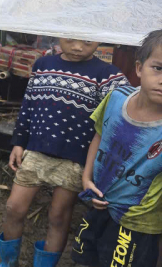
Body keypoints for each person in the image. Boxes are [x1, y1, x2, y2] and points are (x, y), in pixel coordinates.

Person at [0, 39, 127, 267]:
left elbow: (119, 114)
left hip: (75, 160)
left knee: (59, 216)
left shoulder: (108, 75)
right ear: (59, 33)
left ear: (99, 39)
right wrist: (19, 142)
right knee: (14, 207)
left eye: (86, 41)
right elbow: (29, 105)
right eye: (70, 39)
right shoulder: (43, 65)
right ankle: (7, 262)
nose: (77, 47)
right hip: (36, 151)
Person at [69, 30, 162, 267]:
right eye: (158, 68)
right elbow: (100, 136)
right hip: (99, 201)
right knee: (84, 257)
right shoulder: (115, 98)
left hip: (137, 221)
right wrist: (87, 177)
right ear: (139, 68)